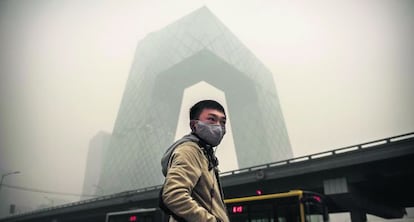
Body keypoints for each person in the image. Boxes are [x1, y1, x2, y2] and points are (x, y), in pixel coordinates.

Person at [160, 100, 230, 222]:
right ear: (194, 125)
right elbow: (174, 195)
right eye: (212, 119)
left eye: (223, 122)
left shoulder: (205, 154)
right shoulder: (189, 151)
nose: (219, 126)